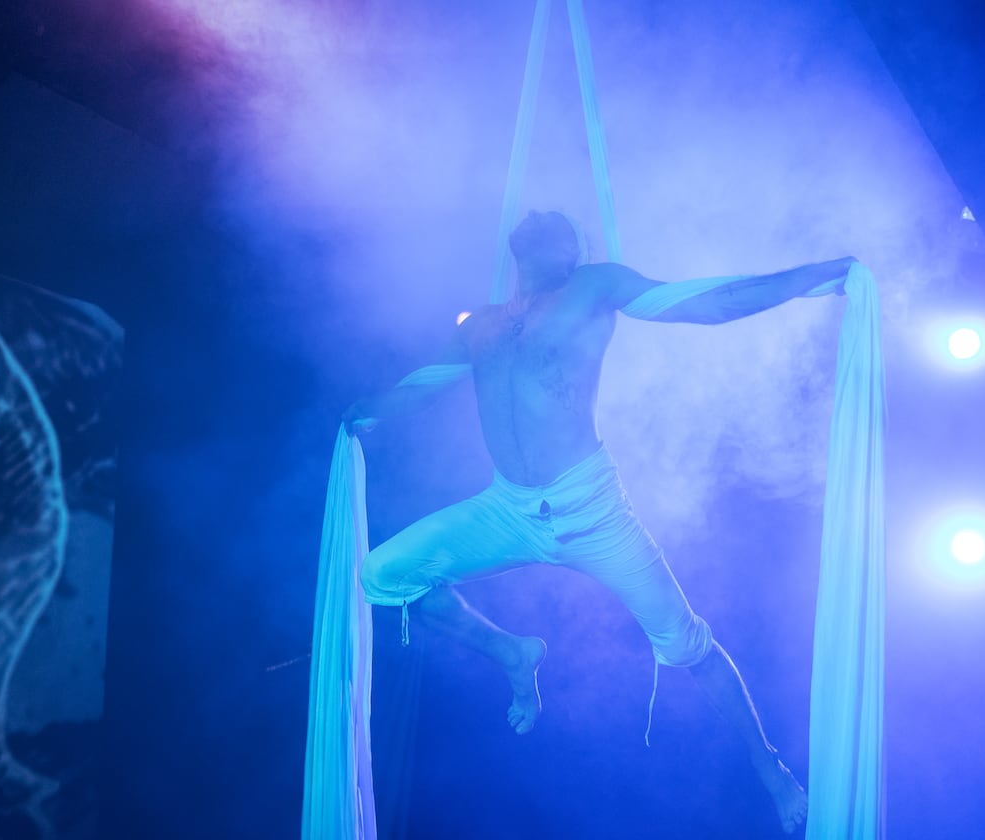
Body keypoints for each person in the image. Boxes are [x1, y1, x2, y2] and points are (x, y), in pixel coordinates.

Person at [344, 210, 855, 834]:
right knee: (383, 575)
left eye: (559, 223)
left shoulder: (594, 287)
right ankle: (512, 653)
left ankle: (769, 767)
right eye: (535, 217)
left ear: (573, 250)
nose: (542, 217)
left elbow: (708, 303)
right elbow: (420, 387)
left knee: (685, 644)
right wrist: (362, 413)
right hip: (507, 508)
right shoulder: (479, 325)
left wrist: (810, 277)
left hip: (592, 510)